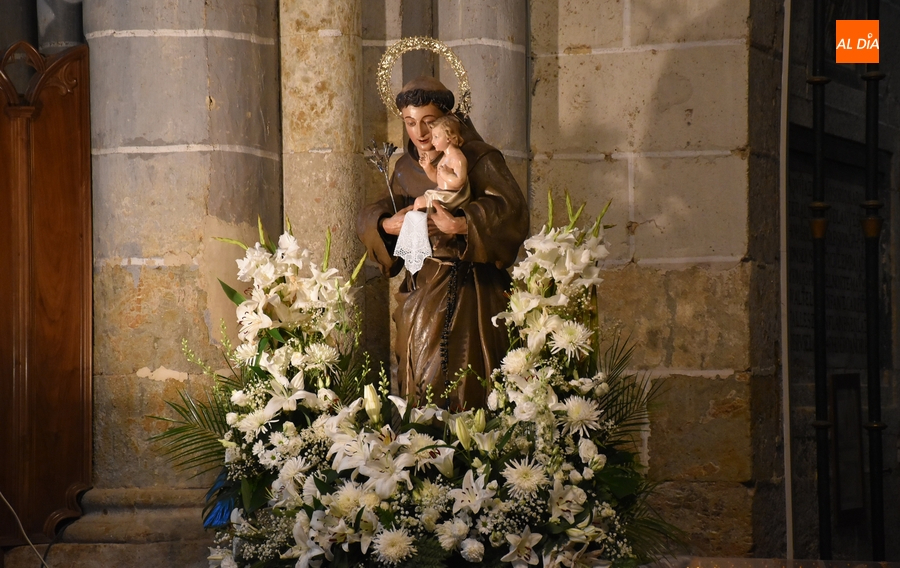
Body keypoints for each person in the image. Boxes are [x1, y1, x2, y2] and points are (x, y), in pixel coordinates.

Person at [356, 76, 529, 410]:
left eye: (429, 123)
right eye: (410, 123)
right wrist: (386, 223)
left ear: (449, 122)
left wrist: (462, 224)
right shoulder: (406, 168)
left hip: (470, 290)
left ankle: (471, 454)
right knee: (418, 370)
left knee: (466, 377)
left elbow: (511, 211)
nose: (419, 133)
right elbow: (377, 210)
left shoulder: (479, 159)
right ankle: (421, 451)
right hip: (421, 286)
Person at [415, 115, 470, 214]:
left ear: (448, 137)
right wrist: (428, 167)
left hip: (451, 198)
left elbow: (459, 181)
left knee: (419, 203)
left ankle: (417, 228)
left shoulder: (458, 159)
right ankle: (418, 227)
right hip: (441, 194)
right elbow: (437, 179)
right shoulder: (444, 157)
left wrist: (446, 175)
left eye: (436, 137)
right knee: (419, 203)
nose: (433, 141)